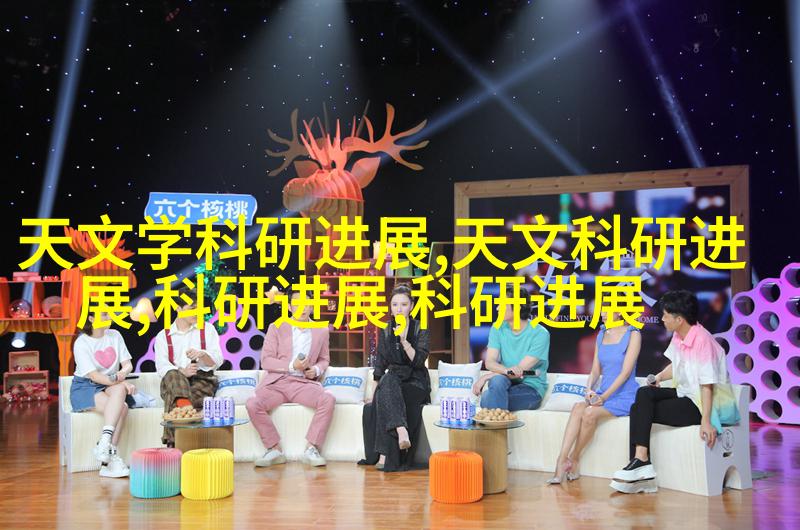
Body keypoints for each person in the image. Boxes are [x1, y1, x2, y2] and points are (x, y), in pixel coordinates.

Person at [611, 290, 740, 493]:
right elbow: (677, 364)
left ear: (679, 319)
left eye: (665, 316)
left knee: (638, 410)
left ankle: (640, 465)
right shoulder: (680, 335)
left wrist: (706, 420)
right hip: (685, 394)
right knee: (644, 393)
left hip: (702, 404)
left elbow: (707, 385)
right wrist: (659, 377)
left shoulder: (702, 340)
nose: (662, 319)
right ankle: (640, 462)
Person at [547, 312, 641, 484]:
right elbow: (595, 370)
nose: (602, 314)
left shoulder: (633, 333)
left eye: (606, 309)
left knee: (589, 413)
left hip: (625, 396)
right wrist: (589, 389)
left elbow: (625, 373)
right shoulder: (602, 332)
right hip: (603, 392)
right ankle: (561, 460)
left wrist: (603, 397)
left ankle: (574, 458)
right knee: (578, 407)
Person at [246, 289, 335, 467]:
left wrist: (316, 370)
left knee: (328, 399)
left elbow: (324, 359)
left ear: (312, 307)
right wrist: (291, 366)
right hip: (278, 382)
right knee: (252, 404)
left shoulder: (321, 330)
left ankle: (311, 448)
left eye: (306, 304)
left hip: (303, 384)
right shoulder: (276, 327)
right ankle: (274, 449)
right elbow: (266, 360)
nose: (302, 308)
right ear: (289, 307)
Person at [358, 284, 430, 472]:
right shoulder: (386, 330)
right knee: (387, 382)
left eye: (404, 304)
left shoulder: (420, 328)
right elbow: (380, 365)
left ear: (411, 306)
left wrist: (405, 341)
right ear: (390, 307)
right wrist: (373, 393)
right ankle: (400, 430)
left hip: (415, 382)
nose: (399, 309)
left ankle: (384, 455)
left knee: (387, 392)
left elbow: (419, 361)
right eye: (395, 304)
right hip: (393, 380)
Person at [155, 288, 223, 446]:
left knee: (174, 397)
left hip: (202, 381)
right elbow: (162, 367)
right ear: (178, 308)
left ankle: (172, 445)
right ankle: (188, 413)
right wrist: (182, 372)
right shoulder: (163, 336)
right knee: (172, 375)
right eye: (192, 308)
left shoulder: (207, 329)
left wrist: (202, 354)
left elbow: (217, 361)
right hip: (174, 380)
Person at [70, 313, 136, 478]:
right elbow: (94, 376)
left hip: (109, 383)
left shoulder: (115, 335)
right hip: (85, 386)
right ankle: (109, 462)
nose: (109, 317)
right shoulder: (82, 342)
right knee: (122, 408)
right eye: (104, 314)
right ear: (91, 318)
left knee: (119, 393)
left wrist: (122, 374)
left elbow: (128, 365)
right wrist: (121, 382)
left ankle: (104, 443)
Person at [472, 287, 550, 411]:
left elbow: (518, 373)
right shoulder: (497, 328)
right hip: (505, 383)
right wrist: (505, 370)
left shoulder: (540, 334)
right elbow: (490, 362)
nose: (497, 308)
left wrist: (487, 377)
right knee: (497, 382)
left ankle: (491, 410)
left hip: (530, 388)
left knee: (488, 399)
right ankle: (498, 416)